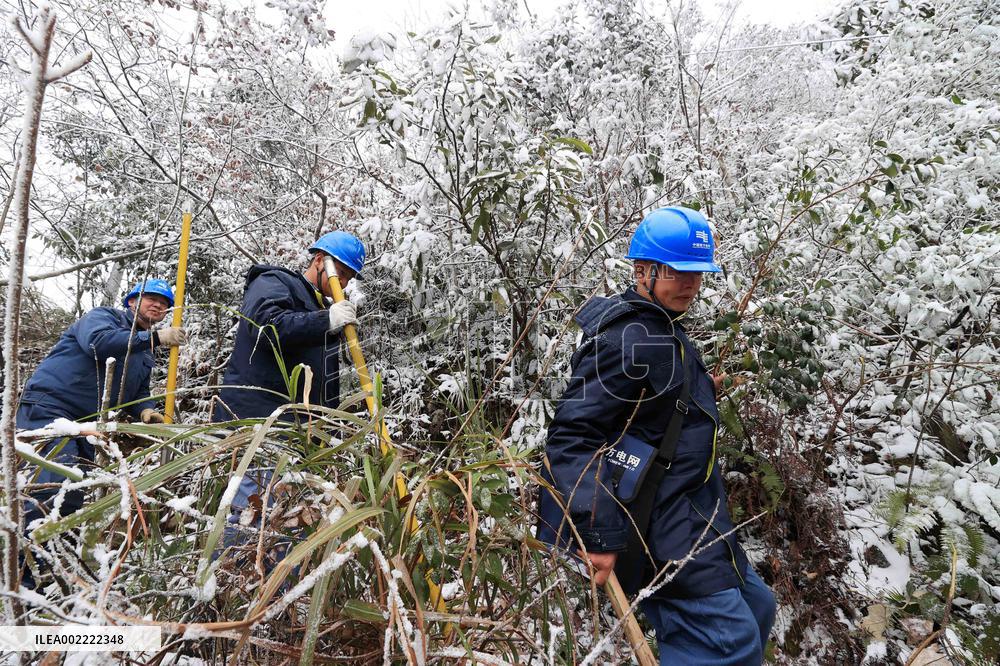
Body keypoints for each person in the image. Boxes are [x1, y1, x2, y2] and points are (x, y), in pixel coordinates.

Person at [541, 207, 776, 665]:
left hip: (697, 513)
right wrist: (597, 535)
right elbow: (572, 437)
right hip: (662, 528)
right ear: (641, 270)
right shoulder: (628, 339)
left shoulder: (659, 327)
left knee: (758, 608)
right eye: (677, 270)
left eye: (698, 273)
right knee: (726, 645)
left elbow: (649, 406)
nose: (690, 283)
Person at [16, 279, 186, 582]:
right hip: (50, 408)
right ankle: (21, 575)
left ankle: (48, 576)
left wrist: (144, 411)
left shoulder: (143, 352)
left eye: (164, 303)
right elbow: (99, 344)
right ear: (132, 301)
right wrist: (157, 338)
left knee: (71, 497)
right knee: (52, 485)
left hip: (87, 425)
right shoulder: (103, 318)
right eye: (150, 298)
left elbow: (135, 392)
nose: (158, 305)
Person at [212, 230, 364, 538]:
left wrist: (326, 434)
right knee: (252, 519)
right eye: (342, 273)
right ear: (319, 261)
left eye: (350, 278)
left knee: (284, 525)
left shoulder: (317, 305)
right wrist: (326, 320)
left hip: (296, 435)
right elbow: (265, 327)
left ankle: (274, 586)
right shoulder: (274, 282)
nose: (344, 284)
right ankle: (236, 583)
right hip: (259, 427)